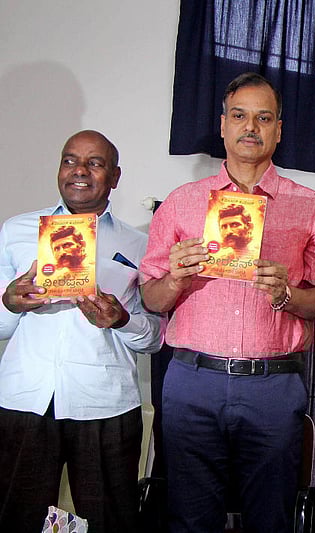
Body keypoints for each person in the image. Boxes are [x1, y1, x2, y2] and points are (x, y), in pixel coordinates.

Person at [139, 72, 315, 533]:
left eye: (264, 118)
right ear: (223, 124)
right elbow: (151, 296)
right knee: (189, 515)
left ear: (279, 130)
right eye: (240, 116)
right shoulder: (182, 203)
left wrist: (287, 294)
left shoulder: (312, 207)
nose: (251, 127)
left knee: (271, 516)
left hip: (273, 382)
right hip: (191, 379)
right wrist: (176, 279)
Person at [0, 130, 164, 532]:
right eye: (70, 160)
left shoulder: (141, 244)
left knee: (110, 519)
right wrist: (11, 301)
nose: (79, 171)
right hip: (26, 397)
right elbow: (2, 325)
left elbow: (156, 336)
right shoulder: (18, 230)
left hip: (105, 403)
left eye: (95, 163)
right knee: (14, 516)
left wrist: (120, 320)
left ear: (115, 175)